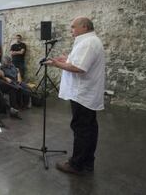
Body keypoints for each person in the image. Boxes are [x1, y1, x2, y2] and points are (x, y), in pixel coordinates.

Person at [44, 17, 105, 174]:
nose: (71, 30)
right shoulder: (88, 41)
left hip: (82, 94)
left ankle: (76, 164)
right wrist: (66, 59)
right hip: (84, 93)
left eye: (73, 27)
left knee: (82, 129)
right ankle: (87, 163)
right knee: (88, 129)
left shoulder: (89, 42)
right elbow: (78, 61)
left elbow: (79, 67)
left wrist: (57, 64)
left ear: (84, 26)